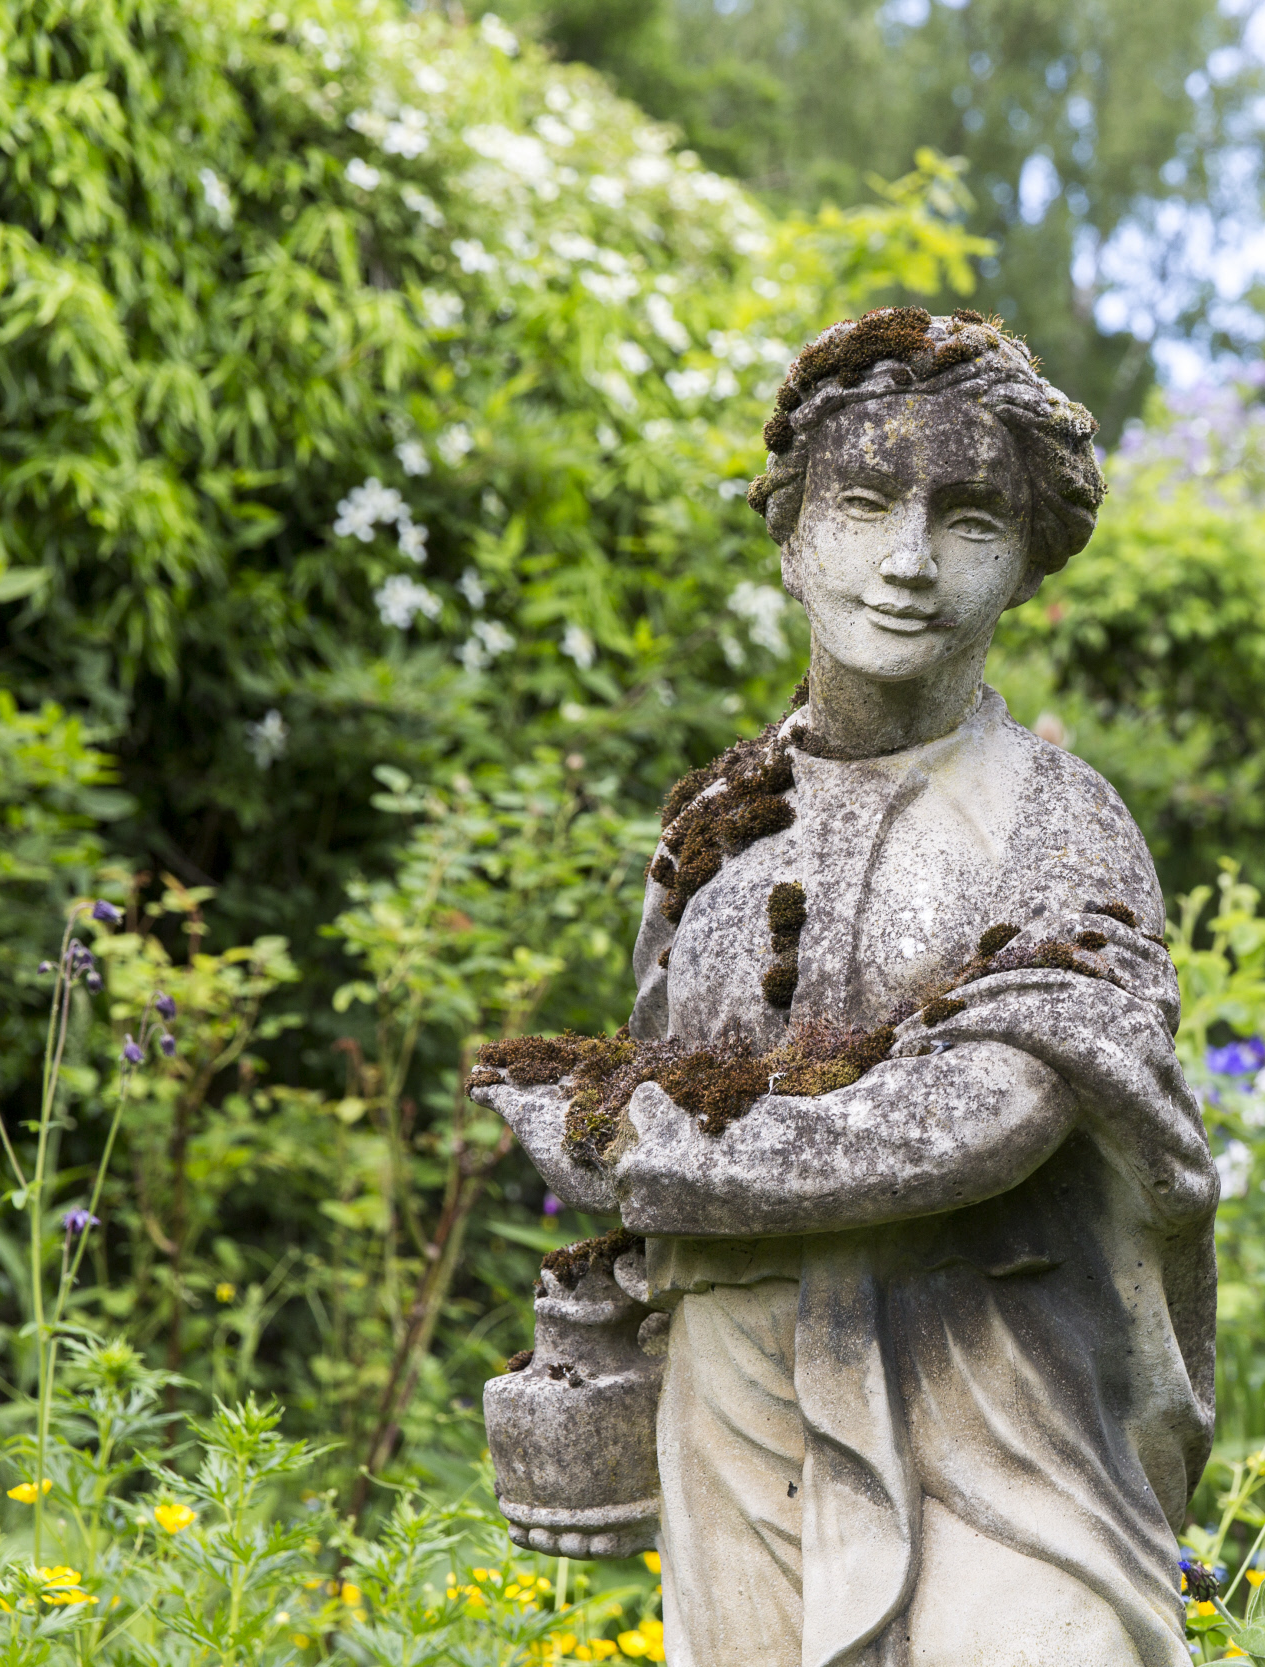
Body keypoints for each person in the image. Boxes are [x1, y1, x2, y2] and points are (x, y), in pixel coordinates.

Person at [474, 309, 1216, 1667]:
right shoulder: (718, 824)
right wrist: (598, 1334)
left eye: (971, 521)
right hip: (740, 1414)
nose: (909, 563)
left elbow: (987, 1117)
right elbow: (664, 1071)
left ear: (1029, 563)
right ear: (794, 533)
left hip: (1001, 1413)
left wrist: (630, 1145)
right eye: (866, 503)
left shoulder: (1061, 824)